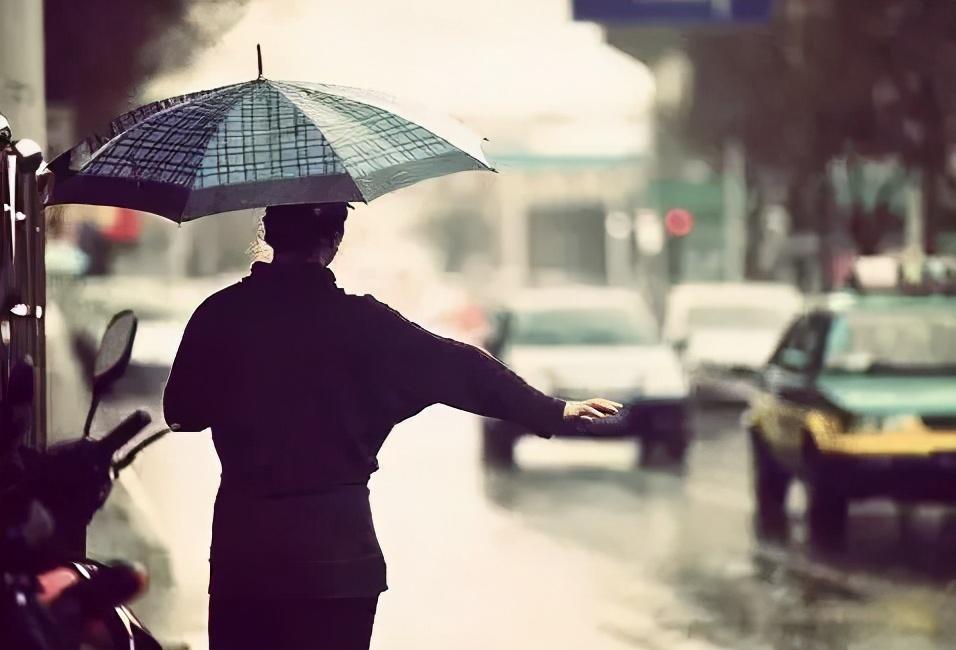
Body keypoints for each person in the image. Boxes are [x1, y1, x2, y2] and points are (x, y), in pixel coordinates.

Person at [163, 202, 621, 650]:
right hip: (338, 554)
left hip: (246, 554)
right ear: (334, 241)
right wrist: (551, 411)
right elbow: (459, 367)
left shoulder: (220, 315)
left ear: (268, 233)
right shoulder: (365, 324)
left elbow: (181, 414)